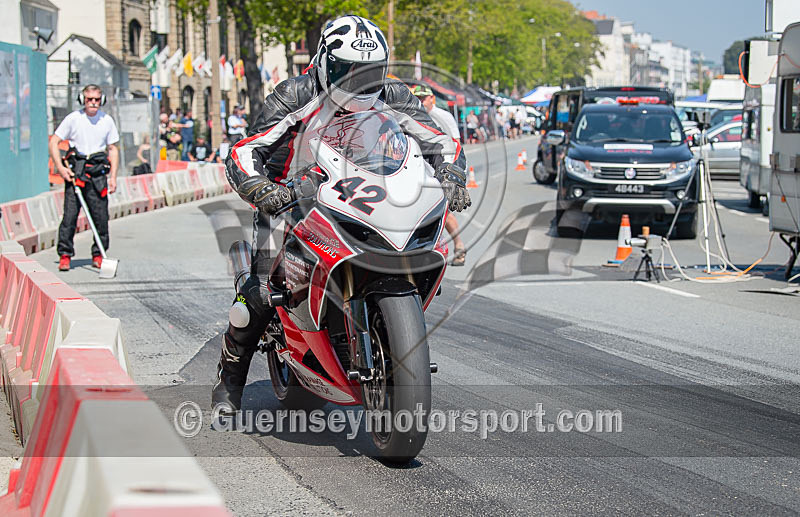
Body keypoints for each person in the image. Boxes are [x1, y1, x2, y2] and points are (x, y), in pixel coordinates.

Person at [212, 15, 471, 412]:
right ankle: (230, 381)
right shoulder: (295, 94)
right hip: (290, 200)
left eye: (369, 72)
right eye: (347, 71)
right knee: (261, 292)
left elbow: (441, 141)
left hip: (360, 194)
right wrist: (264, 190)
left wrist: (451, 175)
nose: (359, 82)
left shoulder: (392, 93)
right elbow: (246, 150)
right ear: (325, 62)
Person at [48, 84, 119, 271]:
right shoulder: (73, 119)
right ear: (83, 100)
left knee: (100, 217)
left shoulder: (107, 121)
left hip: (97, 173)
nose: (93, 103)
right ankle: (65, 254)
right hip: (76, 173)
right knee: (70, 217)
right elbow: (54, 142)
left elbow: (113, 149)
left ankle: (99, 254)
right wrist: (61, 168)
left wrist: (113, 177)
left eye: (97, 100)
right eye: (89, 99)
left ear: (102, 101)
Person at [411, 84, 469, 266]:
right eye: (417, 98)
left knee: (442, 210)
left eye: (423, 98)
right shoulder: (413, 116)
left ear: (432, 99)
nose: (420, 102)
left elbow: (455, 144)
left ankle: (458, 245)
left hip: (445, 167)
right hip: (422, 168)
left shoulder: (443, 116)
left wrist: (454, 173)